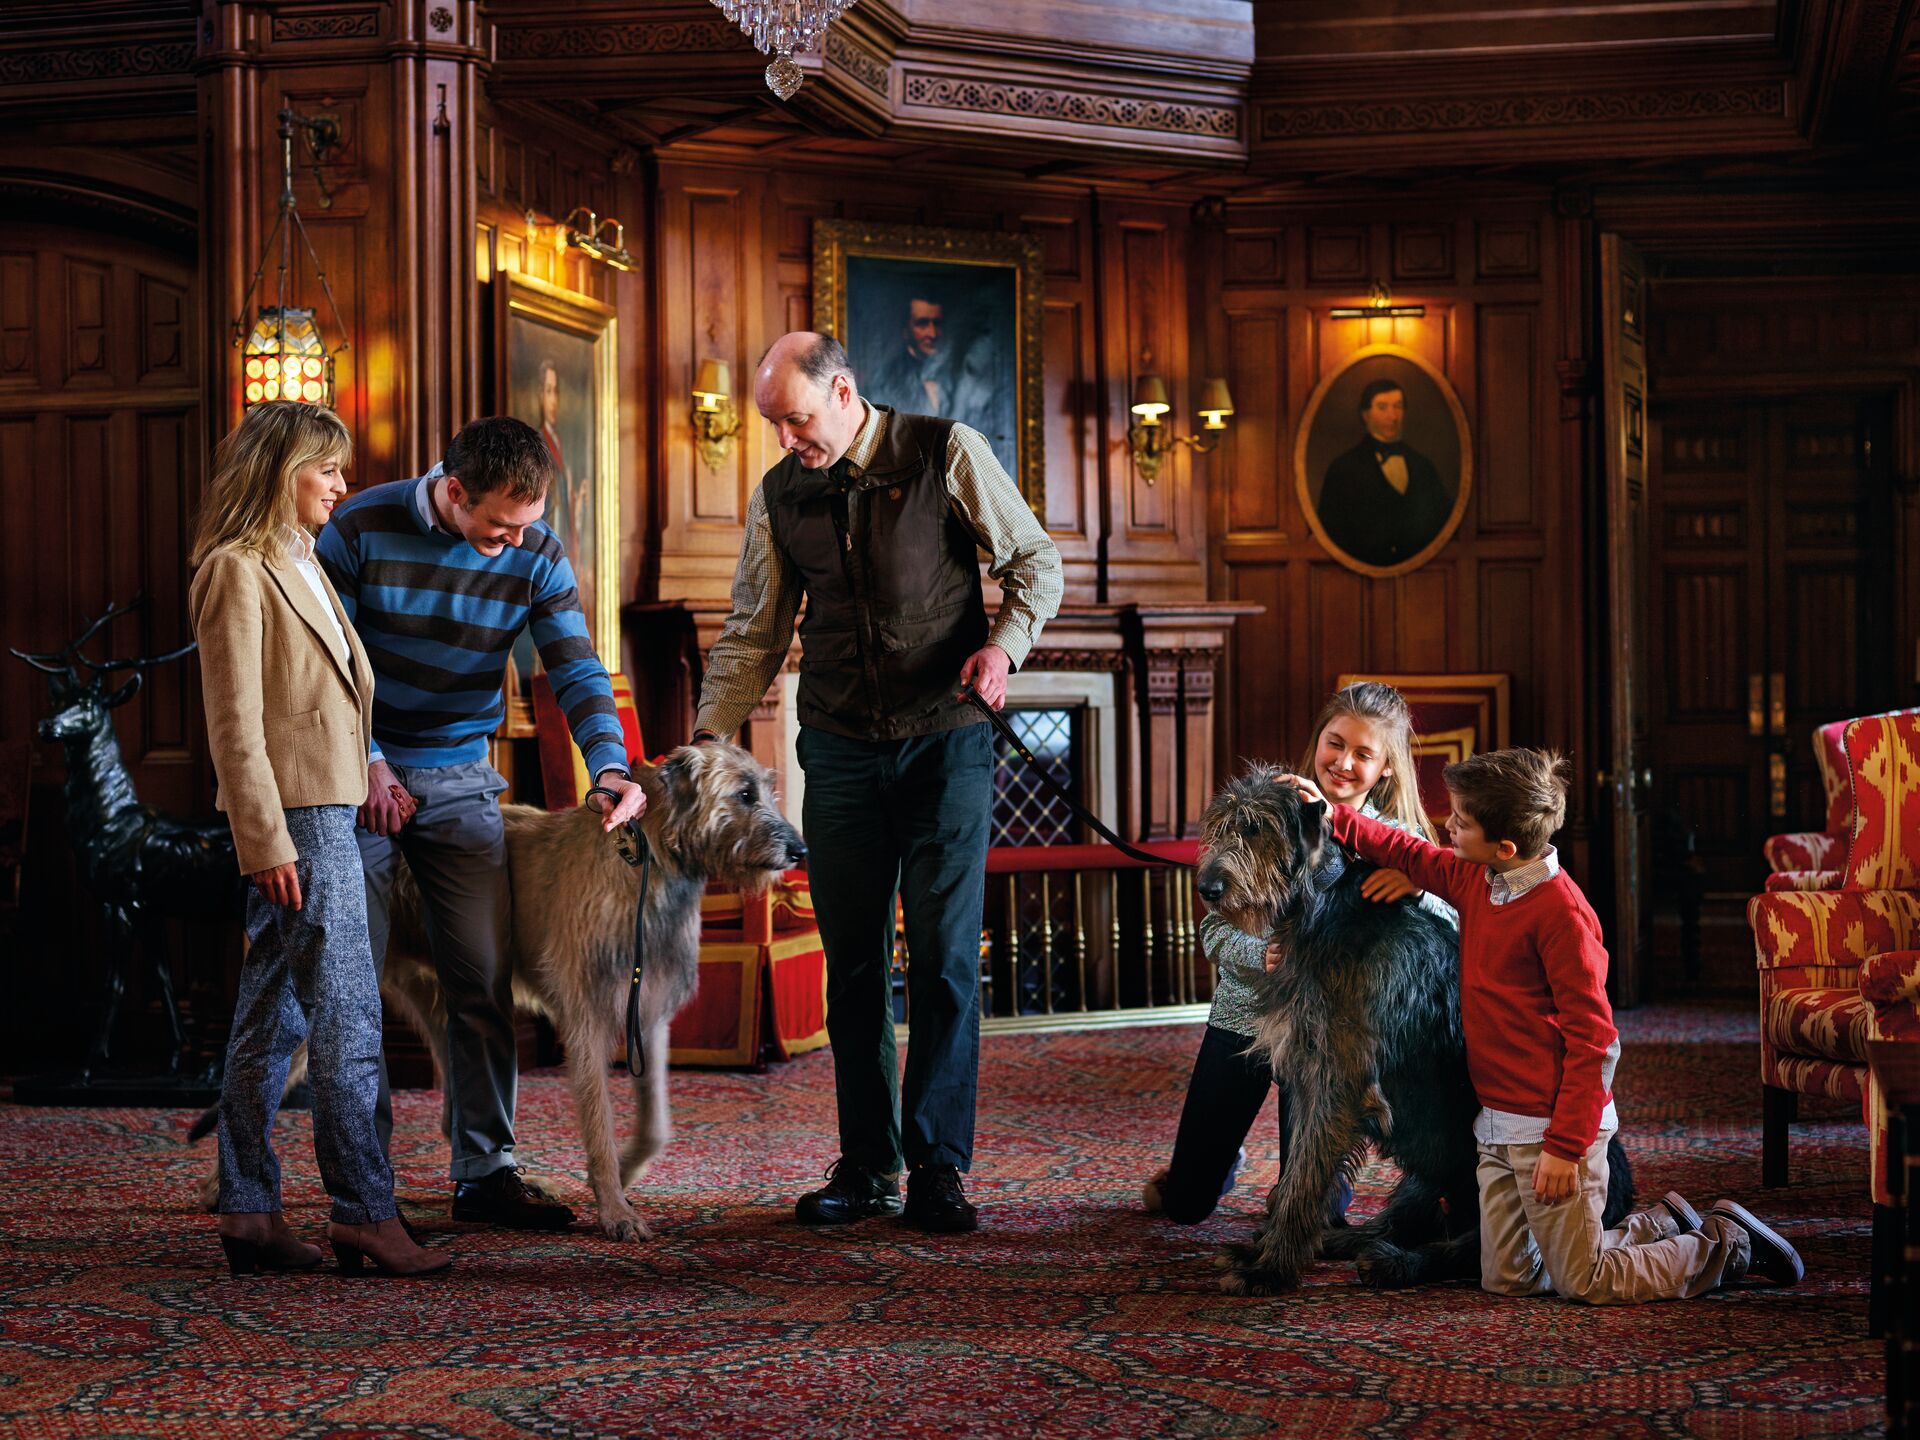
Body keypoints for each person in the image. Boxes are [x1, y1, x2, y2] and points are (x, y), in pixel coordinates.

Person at [694, 331, 1062, 1233]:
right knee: (853, 965)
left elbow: (1034, 562)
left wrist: (1002, 649)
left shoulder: (944, 450)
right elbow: (755, 628)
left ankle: (939, 1166)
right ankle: (866, 1165)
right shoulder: (781, 493)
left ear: (843, 391)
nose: (786, 440)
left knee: (943, 959)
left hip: (946, 743)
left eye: (795, 420)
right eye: (774, 425)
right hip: (840, 747)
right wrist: (708, 735)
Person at [1285, 748, 1804, 1302]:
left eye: (1461, 821)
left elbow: (1596, 1044)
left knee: (1585, 1280)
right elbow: (1408, 852)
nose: (1447, 827)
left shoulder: (1562, 915)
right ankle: (1662, 1225)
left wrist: (1565, 1146)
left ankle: (1728, 1244)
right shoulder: (1478, 878)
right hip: (1498, 1125)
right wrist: (1332, 815)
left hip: (1556, 1131)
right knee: (1507, 1277)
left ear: (1505, 848)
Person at [316, 416, 646, 1230]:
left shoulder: (537, 550)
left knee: (483, 977)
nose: (514, 541)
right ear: (455, 490)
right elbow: (324, 667)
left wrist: (609, 766)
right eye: (499, 525)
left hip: (461, 776)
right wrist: (369, 760)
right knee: (350, 988)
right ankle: (364, 1189)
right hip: (353, 773)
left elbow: (574, 667)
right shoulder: (358, 527)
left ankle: (485, 1173)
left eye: (526, 525)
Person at [189, 399, 449, 1278]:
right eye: (326, 468)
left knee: (273, 1016)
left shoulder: (302, 559)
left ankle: (248, 1209)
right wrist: (265, 841)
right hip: (296, 817)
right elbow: (234, 725)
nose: (341, 484)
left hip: (328, 806)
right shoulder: (236, 568)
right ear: (278, 471)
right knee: (346, 1016)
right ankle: (364, 1213)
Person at [1144, 682, 1459, 1223]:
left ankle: (1298, 1189)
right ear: (1318, 739)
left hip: (1326, 1036)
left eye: (1363, 753)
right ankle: (1221, 1162)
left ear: (1386, 768)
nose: (1343, 762)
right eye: (1335, 743)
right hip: (1244, 1018)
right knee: (1183, 1206)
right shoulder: (1267, 808)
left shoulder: (1399, 842)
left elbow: (1451, 922)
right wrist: (1258, 951)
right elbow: (1213, 930)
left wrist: (1419, 885)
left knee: (1317, 1216)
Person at [1315, 378, 1453, 569]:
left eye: (1398, 407)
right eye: (1382, 407)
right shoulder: (1343, 468)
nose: (1393, 416)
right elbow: (1331, 531)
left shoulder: (1423, 466)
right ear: (1365, 415)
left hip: (1422, 572)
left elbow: (1442, 522)